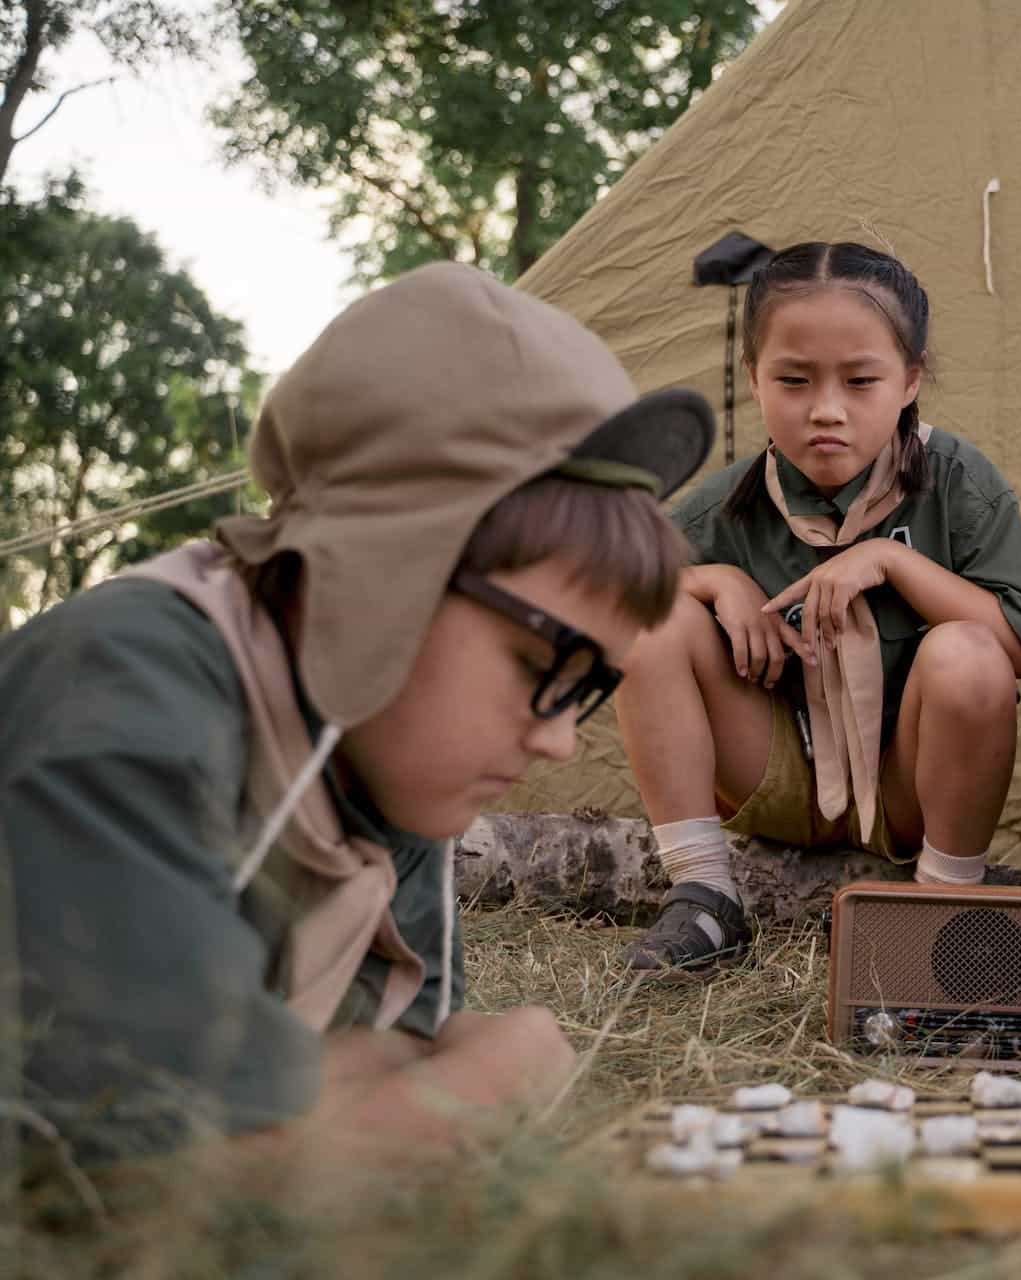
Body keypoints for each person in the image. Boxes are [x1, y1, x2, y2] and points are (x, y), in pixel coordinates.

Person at [0, 262, 712, 1165]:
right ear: (387, 572)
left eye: (589, 690)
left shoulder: (375, 751)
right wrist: (499, 1076)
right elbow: (157, 1193)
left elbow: (379, 1074)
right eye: (540, 663)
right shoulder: (121, 703)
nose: (558, 738)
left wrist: (340, 1115)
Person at [615, 241, 1021, 979]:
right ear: (753, 378)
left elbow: (1020, 645)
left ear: (910, 380)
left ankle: (942, 902)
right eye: (793, 380)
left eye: (860, 381)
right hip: (776, 773)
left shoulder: (957, 482)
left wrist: (893, 561)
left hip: (911, 786)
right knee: (656, 614)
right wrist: (716, 581)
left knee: (968, 651)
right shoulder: (725, 504)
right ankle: (703, 898)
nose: (826, 411)